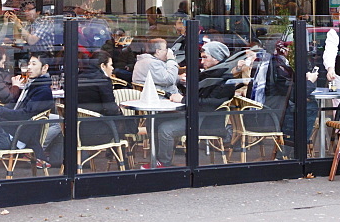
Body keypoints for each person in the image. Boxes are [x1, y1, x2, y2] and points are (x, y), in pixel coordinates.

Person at [150, 40, 237, 169]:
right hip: (196, 114)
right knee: (156, 121)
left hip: (207, 121)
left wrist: (183, 100)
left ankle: (163, 164)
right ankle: (158, 160)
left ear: (217, 58)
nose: (202, 62)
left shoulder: (224, 78)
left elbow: (208, 105)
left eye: (205, 57)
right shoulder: (211, 74)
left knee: (165, 129)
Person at [0, 53, 57, 167]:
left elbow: (24, 115)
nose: (29, 67)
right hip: (13, 130)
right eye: (29, 64)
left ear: (45, 68)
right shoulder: (34, 85)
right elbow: (18, 107)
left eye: (34, 64)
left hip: (16, 135)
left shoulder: (42, 90)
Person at [76, 51, 134, 146]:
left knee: (122, 121)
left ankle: (119, 153)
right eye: (111, 65)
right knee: (122, 122)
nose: (113, 68)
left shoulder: (78, 77)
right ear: (103, 66)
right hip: (97, 132)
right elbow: (110, 108)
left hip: (76, 131)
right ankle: (123, 157)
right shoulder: (102, 81)